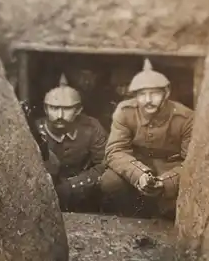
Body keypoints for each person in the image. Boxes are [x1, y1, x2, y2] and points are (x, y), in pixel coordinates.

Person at [100, 58, 194, 219]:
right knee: (110, 181)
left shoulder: (185, 118)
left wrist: (166, 182)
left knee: (172, 208)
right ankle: (131, 217)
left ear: (167, 93)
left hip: (171, 169)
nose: (148, 100)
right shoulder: (125, 111)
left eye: (154, 93)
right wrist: (139, 175)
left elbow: (191, 162)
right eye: (142, 94)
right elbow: (115, 151)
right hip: (136, 164)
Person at [36, 74, 107, 212]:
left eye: (67, 109)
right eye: (54, 108)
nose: (60, 116)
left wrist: (73, 185)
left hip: (82, 190)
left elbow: (104, 164)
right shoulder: (34, 131)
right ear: (45, 109)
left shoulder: (91, 128)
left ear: (78, 110)